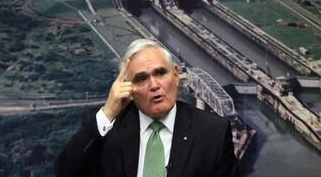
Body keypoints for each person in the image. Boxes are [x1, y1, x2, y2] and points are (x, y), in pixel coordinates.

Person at [55, 38, 239, 177]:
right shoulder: (107, 128)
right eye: (141, 78)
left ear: (175, 75)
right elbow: (65, 173)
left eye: (160, 73)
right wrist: (108, 112)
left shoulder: (213, 131)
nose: (154, 85)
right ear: (129, 87)